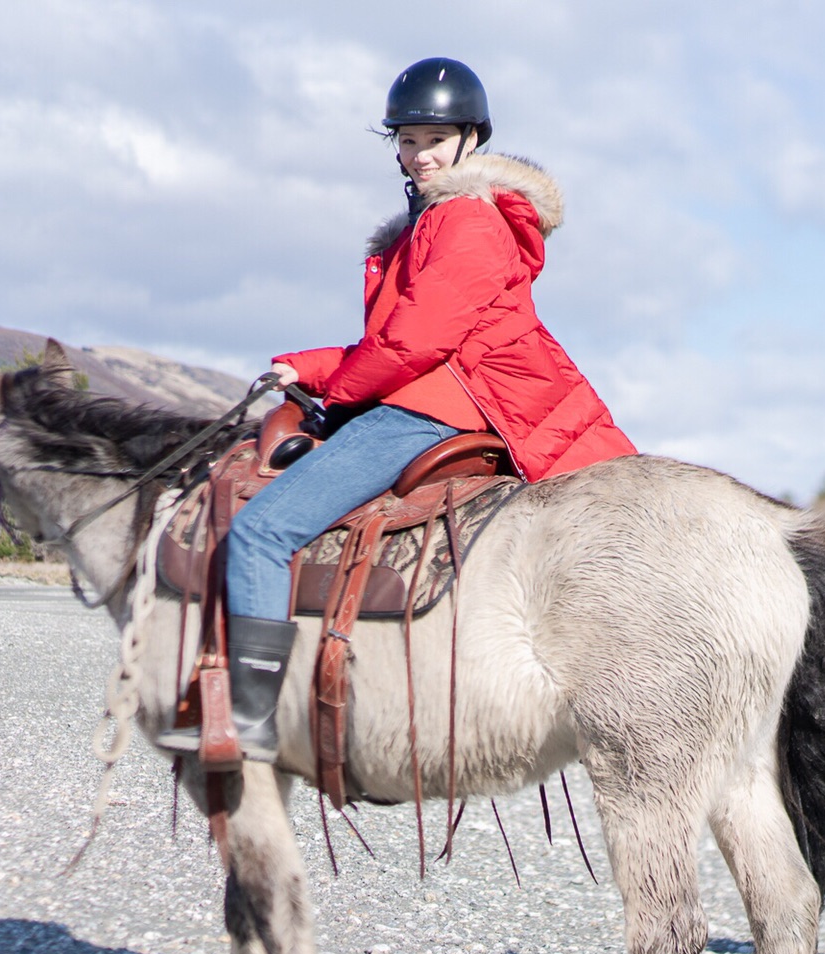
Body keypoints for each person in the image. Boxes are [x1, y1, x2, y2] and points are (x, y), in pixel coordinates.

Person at [161, 56, 636, 763]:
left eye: (434, 140)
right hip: (438, 388)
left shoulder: (465, 220)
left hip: (434, 407)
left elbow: (417, 339)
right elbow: (399, 332)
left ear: (472, 140)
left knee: (262, 529)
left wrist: (338, 392)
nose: (418, 156)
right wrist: (311, 367)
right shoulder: (435, 222)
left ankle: (250, 719)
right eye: (407, 141)